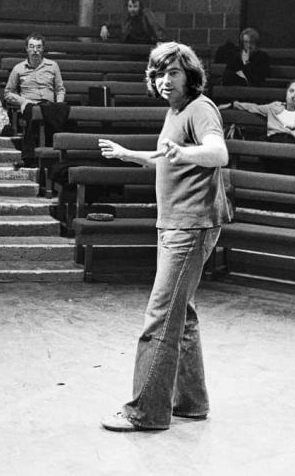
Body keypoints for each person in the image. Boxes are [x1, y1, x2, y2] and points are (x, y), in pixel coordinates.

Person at [97, 42, 231, 433]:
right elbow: (167, 154)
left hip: (190, 225)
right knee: (181, 314)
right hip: (177, 223)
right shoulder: (175, 112)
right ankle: (190, 402)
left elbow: (217, 153)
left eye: (172, 72)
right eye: (158, 73)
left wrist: (186, 154)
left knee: (160, 317)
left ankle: (146, 412)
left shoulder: (200, 108)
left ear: (190, 74)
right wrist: (130, 155)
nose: (164, 80)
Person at [218, 78, 295, 148]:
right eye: (291, 91)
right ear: (287, 91)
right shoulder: (274, 107)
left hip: (293, 146)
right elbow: (253, 107)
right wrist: (232, 104)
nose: (293, 96)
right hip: (272, 143)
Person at [4, 33, 67, 167]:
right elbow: (8, 93)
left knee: (62, 112)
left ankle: (56, 157)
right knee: (33, 113)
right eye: (31, 47)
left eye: (38, 47)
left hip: (49, 104)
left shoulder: (53, 66)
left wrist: (59, 103)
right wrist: (22, 101)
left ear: (43, 49)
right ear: (26, 49)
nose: (35, 50)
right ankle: (29, 158)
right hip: (29, 103)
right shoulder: (18, 69)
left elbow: (60, 89)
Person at [100, 0, 164, 44]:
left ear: (140, 7)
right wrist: (104, 26)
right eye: (130, 6)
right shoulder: (126, 18)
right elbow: (112, 22)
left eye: (135, 6)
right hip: (129, 47)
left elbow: (154, 26)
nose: (132, 9)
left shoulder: (146, 14)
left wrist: (160, 40)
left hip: (145, 45)